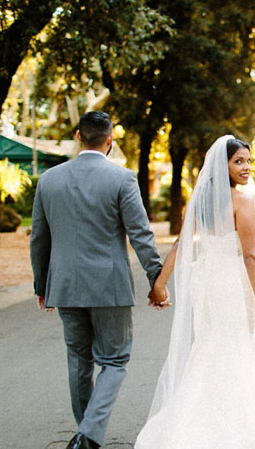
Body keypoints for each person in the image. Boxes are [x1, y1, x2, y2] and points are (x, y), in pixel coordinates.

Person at [135, 135, 255, 449]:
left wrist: (160, 284)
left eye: (248, 161)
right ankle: (235, 429)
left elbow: (181, 246)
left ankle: (197, 423)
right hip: (231, 283)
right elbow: (251, 256)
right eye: (238, 161)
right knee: (237, 349)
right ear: (222, 165)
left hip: (207, 282)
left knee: (210, 347)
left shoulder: (200, 200)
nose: (245, 167)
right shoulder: (243, 201)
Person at [30, 111, 168, 449]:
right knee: (115, 361)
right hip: (110, 287)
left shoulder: (49, 179)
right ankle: (88, 437)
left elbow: (38, 238)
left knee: (79, 360)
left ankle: (85, 434)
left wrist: (42, 285)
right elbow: (141, 235)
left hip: (64, 286)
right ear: (110, 141)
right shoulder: (122, 179)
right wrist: (156, 280)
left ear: (79, 137)